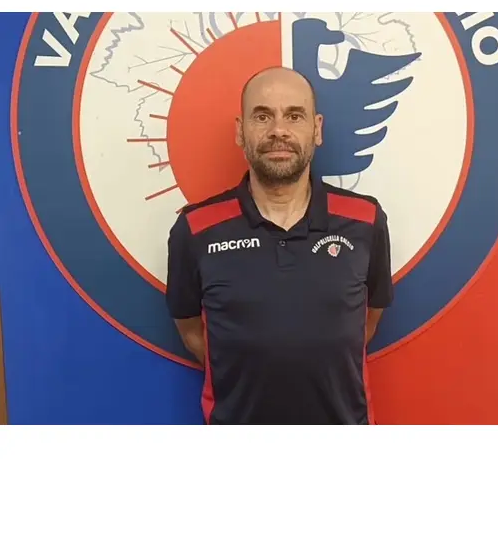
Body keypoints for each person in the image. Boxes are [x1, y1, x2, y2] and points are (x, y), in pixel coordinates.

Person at [166, 66, 393, 425]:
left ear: (317, 129)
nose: (278, 131)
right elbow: (192, 331)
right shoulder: (196, 229)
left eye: (294, 116)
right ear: (240, 131)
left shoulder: (365, 220)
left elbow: (368, 320)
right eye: (262, 116)